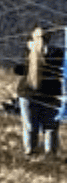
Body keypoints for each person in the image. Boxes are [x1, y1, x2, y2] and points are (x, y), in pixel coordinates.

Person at [15, 25, 63, 156]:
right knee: (32, 127)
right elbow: (19, 69)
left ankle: (50, 155)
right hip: (30, 94)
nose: (40, 40)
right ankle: (31, 153)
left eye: (42, 37)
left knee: (49, 128)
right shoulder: (28, 53)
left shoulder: (57, 53)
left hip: (50, 95)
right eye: (37, 36)